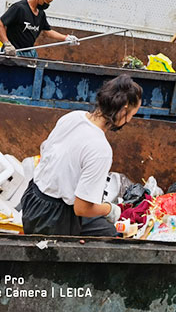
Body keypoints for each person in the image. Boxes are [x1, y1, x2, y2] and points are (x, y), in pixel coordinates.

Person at [20, 74, 143, 236]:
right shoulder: (101, 149)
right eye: (132, 116)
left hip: (32, 199)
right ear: (124, 110)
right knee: (112, 237)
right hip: (52, 218)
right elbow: (81, 208)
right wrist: (109, 209)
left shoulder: (73, 116)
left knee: (107, 230)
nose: (129, 121)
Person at [0, 0, 79, 58]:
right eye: (47, 1)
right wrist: (7, 44)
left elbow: (47, 31)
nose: (47, 5)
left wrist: (66, 38)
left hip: (29, 53)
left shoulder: (41, 14)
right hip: (13, 53)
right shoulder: (19, 8)